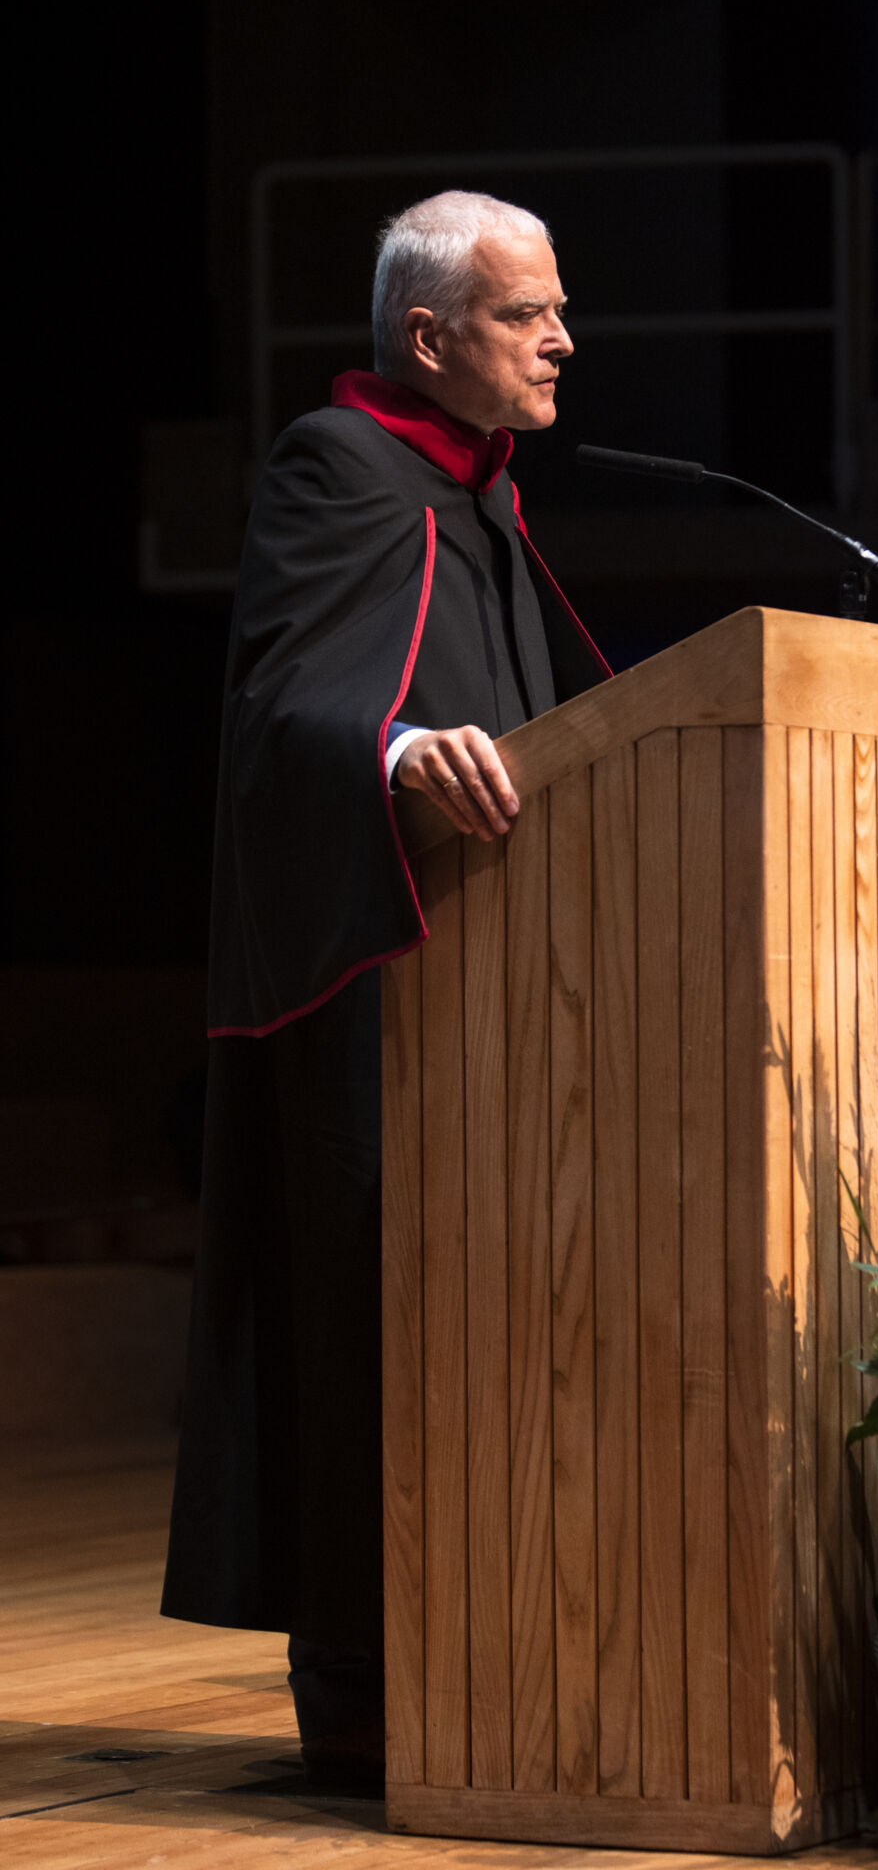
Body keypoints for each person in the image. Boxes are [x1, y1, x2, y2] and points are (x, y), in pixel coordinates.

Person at [161, 191, 610, 1787]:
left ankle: (495, 1651)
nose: (562, 339)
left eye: (558, 310)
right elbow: (283, 709)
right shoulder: (334, 465)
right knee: (363, 1319)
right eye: (525, 314)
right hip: (370, 990)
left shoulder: (486, 502)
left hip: (503, 995)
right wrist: (399, 747)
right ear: (428, 337)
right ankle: (355, 1685)